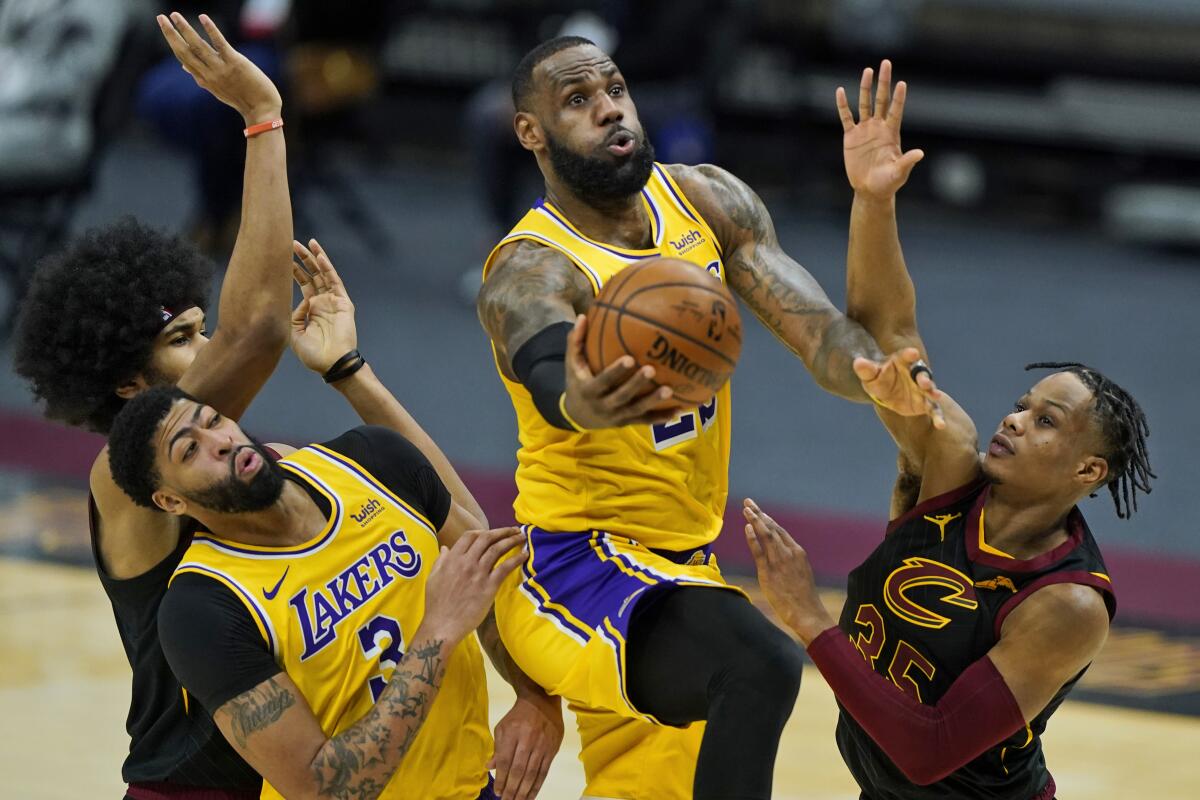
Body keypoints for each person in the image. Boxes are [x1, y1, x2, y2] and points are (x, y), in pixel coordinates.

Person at [474, 37, 938, 800]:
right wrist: (583, 399)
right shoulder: (533, 267)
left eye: (614, 87)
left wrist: (873, 377)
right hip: (575, 567)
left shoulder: (706, 199)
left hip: (680, 567)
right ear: (531, 133)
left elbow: (822, 334)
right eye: (578, 101)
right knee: (756, 664)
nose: (610, 108)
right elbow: (549, 364)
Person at [742, 63, 1154, 800]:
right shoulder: (954, 466)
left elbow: (927, 753)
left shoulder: (1067, 604)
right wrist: (873, 201)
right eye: (1023, 405)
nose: (1013, 420)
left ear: (1089, 473)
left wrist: (808, 618)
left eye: (1045, 421)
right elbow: (891, 332)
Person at [101, 236, 561, 799]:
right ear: (169, 501)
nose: (218, 442)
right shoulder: (202, 606)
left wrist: (537, 698)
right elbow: (327, 790)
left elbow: (486, 567)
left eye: (213, 421)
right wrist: (439, 632)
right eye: (189, 450)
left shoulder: (368, 460)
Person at [14, 13, 293, 798]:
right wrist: (261, 119)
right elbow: (260, 326)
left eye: (201, 330)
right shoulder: (123, 474)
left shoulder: (221, 452)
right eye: (183, 339)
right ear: (130, 385)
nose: (210, 350)